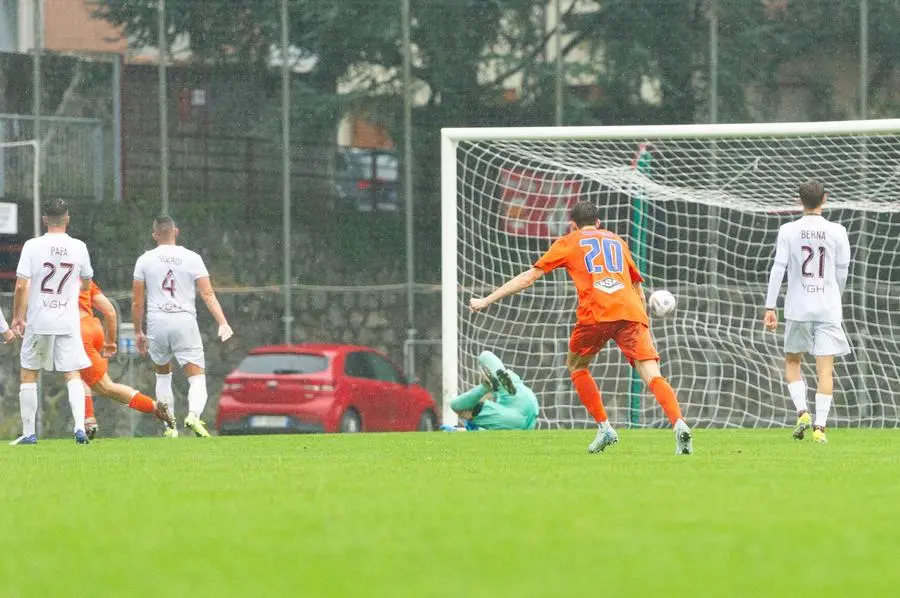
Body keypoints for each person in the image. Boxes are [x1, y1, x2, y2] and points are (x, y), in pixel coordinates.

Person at [470, 200, 692, 455]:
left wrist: (487, 300)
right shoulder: (617, 241)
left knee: (576, 365)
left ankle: (605, 427)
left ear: (573, 225)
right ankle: (679, 423)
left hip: (595, 314)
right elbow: (638, 291)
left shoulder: (569, 241)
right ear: (599, 223)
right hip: (630, 313)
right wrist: (644, 325)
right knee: (652, 374)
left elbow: (529, 277)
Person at [764, 179, 851, 444]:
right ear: (825, 198)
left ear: (798, 200)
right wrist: (835, 295)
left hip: (797, 308)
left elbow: (778, 269)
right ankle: (820, 429)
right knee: (825, 371)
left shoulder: (788, 230)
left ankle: (802, 412)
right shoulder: (838, 231)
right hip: (828, 308)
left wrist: (770, 306)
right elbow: (842, 271)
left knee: (793, 362)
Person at [132, 216, 233, 438]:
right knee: (196, 376)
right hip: (184, 319)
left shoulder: (145, 260)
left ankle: (170, 427)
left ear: (154, 234)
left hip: (157, 321)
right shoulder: (192, 258)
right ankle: (194, 416)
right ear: (175, 232)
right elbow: (207, 294)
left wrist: (138, 331)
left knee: (162, 375)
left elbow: (138, 301)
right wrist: (222, 322)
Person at [10, 198, 94, 445]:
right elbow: (87, 282)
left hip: (39, 320)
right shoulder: (79, 247)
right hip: (67, 321)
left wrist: (17, 317)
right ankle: (79, 428)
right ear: (67, 218)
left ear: (44, 219)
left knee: (29, 373)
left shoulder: (32, 246)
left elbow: (21, 285)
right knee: (72, 373)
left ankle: (29, 433)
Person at [79, 280, 176, 439]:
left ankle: (88, 421)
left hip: (76, 331)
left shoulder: (53, 278)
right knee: (95, 382)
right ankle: (153, 406)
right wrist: (110, 342)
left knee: (83, 380)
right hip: (94, 328)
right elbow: (110, 311)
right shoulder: (84, 278)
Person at [443, 350, 539, 431]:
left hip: (516, 421)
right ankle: (496, 377)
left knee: (459, 407)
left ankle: (488, 385)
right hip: (526, 397)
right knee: (484, 355)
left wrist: (484, 387)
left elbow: (456, 406)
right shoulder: (508, 383)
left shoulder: (490, 412)